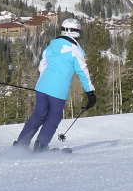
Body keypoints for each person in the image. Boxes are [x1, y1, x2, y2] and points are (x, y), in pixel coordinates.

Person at [14, 17, 96, 151]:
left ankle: (21, 144)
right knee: (54, 116)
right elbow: (83, 72)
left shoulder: (52, 45)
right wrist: (90, 92)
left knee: (39, 115)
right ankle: (41, 146)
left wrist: (44, 83)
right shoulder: (75, 50)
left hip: (42, 87)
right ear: (75, 32)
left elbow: (42, 66)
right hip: (58, 91)